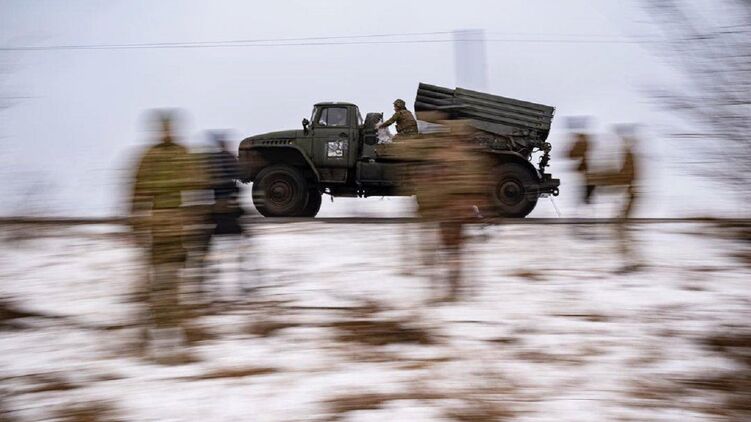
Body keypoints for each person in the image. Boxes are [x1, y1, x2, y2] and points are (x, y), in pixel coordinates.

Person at [129, 109, 205, 361]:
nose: (166, 132)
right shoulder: (150, 157)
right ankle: (158, 335)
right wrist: (137, 228)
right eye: (164, 128)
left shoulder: (183, 154)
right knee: (158, 284)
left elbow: (197, 190)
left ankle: (168, 335)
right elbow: (136, 193)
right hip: (157, 230)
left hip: (178, 230)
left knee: (172, 284)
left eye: (169, 127)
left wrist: (196, 226)